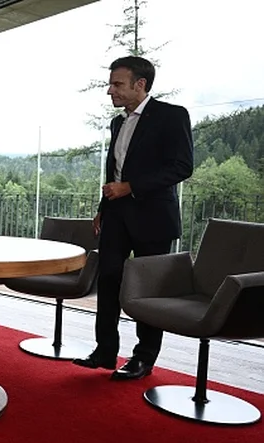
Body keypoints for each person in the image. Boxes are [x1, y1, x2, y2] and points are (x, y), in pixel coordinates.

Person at [73, 56, 193, 379]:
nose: (110, 91)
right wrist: (103, 206)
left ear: (140, 85)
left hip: (153, 218)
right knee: (108, 280)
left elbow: (182, 167)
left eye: (117, 84)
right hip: (116, 216)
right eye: (110, 84)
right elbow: (114, 170)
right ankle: (105, 351)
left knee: (146, 291)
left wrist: (130, 188)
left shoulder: (172, 116)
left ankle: (143, 358)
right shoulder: (117, 122)